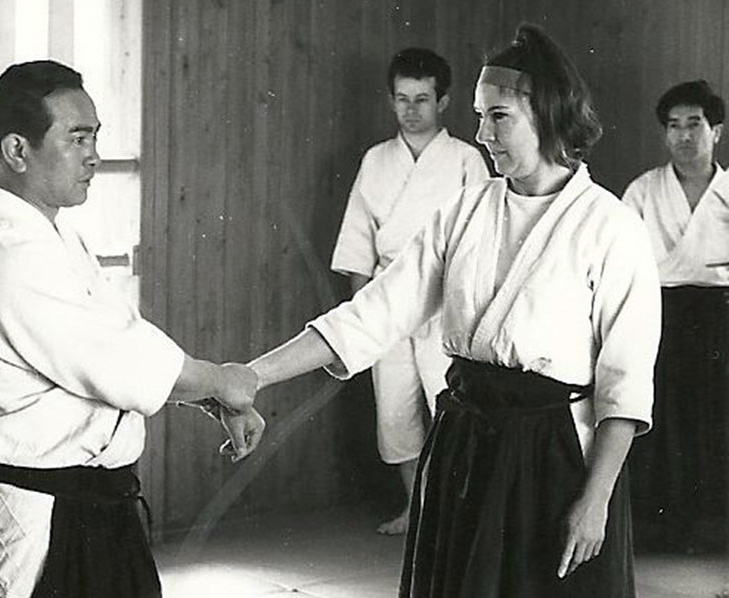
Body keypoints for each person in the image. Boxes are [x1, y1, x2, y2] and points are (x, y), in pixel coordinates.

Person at [246, 24, 660, 596]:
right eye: (478, 115)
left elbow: (626, 383)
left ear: (548, 112)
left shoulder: (611, 226)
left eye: (499, 117)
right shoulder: (463, 210)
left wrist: (597, 499)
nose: (481, 133)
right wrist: (252, 375)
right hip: (464, 444)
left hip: (554, 456)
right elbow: (375, 312)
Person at [0, 60, 264, 598]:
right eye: (76, 138)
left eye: (94, 135)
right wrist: (223, 382)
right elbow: (116, 362)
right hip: (40, 514)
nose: (93, 155)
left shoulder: (49, 234)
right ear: (17, 150)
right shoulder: (8, 250)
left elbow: (124, 336)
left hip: (92, 500)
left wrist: (206, 396)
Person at [331, 47, 489, 535]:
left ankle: (459, 513)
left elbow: (483, 238)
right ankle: (416, 508)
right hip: (388, 296)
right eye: (402, 99)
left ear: (443, 101)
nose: (411, 109)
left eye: (422, 99)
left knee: (453, 407)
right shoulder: (376, 161)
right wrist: (365, 316)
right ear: (391, 101)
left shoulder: (467, 159)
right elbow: (358, 238)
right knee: (395, 413)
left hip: (448, 299)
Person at [623, 80, 729, 551]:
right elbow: (623, 261)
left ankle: (714, 527)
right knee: (661, 416)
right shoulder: (643, 191)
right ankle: (661, 527)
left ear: (717, 131)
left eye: (695, 124)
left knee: (716, 418)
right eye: (673, 126)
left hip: (721, 319)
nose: (684, 135)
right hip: (659, 312)